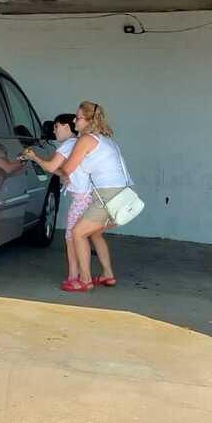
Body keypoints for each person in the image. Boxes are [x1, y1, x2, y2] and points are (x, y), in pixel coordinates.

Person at [23, 113, 107, 290]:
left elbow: (52, 167)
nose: (54, 130)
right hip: (89, 197)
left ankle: (77, 277)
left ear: (68, 127)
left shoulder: (68, 145)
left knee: (73, 237)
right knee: (87, 236)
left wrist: (34, 157)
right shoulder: (77, 143)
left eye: (57, 126)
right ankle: (102, 274)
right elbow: (65, 171)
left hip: (81, 199)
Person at [58, 101, 131, 292]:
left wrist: (53, 168)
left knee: (77, 233)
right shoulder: (107, 140)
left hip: (107, 195)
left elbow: (67, 168)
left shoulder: (86, 140)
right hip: (120, 194)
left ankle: (85, 279)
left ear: (89, 121)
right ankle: (107, 274)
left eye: (78, 117)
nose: (74, 121)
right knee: (95, 233)